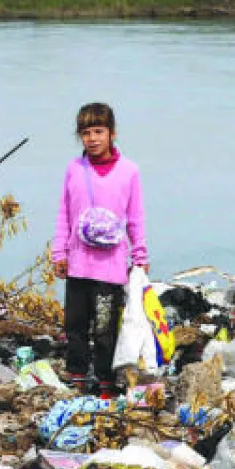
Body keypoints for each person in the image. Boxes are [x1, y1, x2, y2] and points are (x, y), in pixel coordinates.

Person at [52, 102, 148, 397]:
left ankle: (106, 381)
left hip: (111, 267)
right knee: (76, 325)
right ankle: (78, 377)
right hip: (79, 264)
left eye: (98, 131)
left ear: (112, 133)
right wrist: (59, 254)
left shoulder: (129, 171)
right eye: (85, 133)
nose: (92, 139)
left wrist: (140, 257)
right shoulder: (74, 169)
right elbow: (64, 214)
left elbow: (135, 217)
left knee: (106, 329)